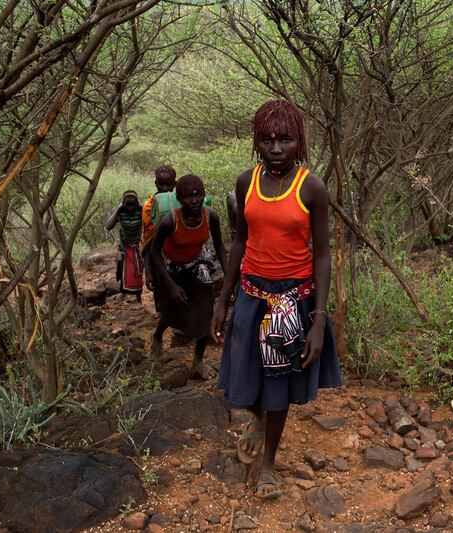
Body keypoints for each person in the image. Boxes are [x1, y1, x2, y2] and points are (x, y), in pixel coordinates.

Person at [211, 100, 342, 500]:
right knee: (247, 374)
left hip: (293, 302)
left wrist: (318, 318)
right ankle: (257, 419)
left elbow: (321, 254)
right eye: (267, 139)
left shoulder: (311, 187)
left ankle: (268, 464)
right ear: (257, 142)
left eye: (285, 139)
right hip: (252, 296)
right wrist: (223, 298)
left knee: (279, 385)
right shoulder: (244, 182)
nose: (276, 148)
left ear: (298, 141)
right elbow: (239, 241)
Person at [150, 174, 228, 379]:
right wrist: (171, 284)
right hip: (174, 266)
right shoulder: (170, 221)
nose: (194, 201)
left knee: (205, 308)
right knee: (172, 307)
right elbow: (154, 251)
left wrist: (230, 278)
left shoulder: (210, 215)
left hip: (198, 263)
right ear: (179, 198)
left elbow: (219, 246)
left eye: (199, 196)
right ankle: (158, 335)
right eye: (188, 197)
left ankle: (197, 361)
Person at [141, 165, 178, 290]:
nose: (165, 189)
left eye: (169, 185)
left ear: (175, 184)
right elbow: (147, 241)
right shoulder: (148, 207)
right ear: (156, 183)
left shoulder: (181, 202)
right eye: (161, 185)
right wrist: (147, 271)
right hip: (158, 261)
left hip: (179, 257)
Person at [105, 190, 144, 300]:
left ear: (137, 203)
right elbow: (108, 226)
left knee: (137, 271)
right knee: (122, 270)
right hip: (124, 245)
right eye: (128, 204)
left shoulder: (141, 211)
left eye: (133, 204)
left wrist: (142, 208)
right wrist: (118, 209)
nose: (130, 208)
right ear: (123, 203)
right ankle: (123, 293)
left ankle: (138, 297)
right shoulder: (121, 212)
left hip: (137, 245)